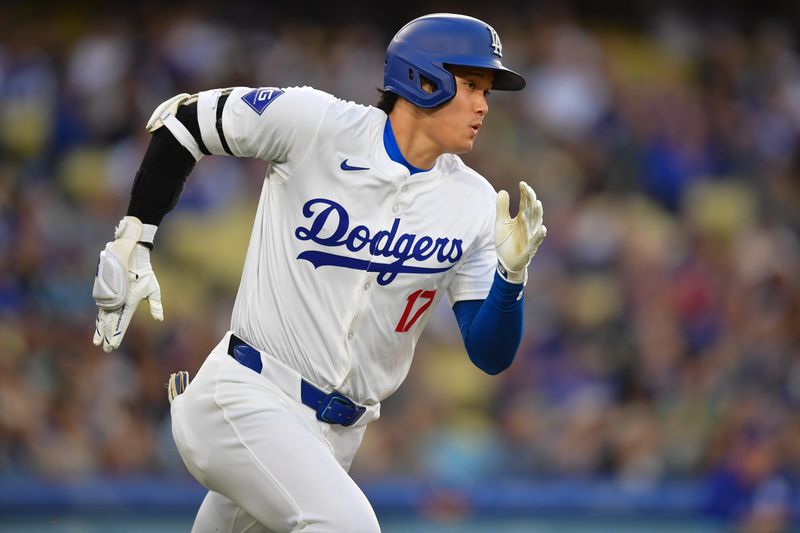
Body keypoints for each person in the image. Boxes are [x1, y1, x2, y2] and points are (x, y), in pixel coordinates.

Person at [92, 13, 546, 532]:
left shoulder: (473, 202)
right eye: (471, 85)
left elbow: (489, 355)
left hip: (335, 438)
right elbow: (184, 122)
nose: (483, 105)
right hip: (247, 396)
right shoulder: (318, 124)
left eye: (486, 91)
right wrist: (136, 236)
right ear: (423, 80)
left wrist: (510, 281)